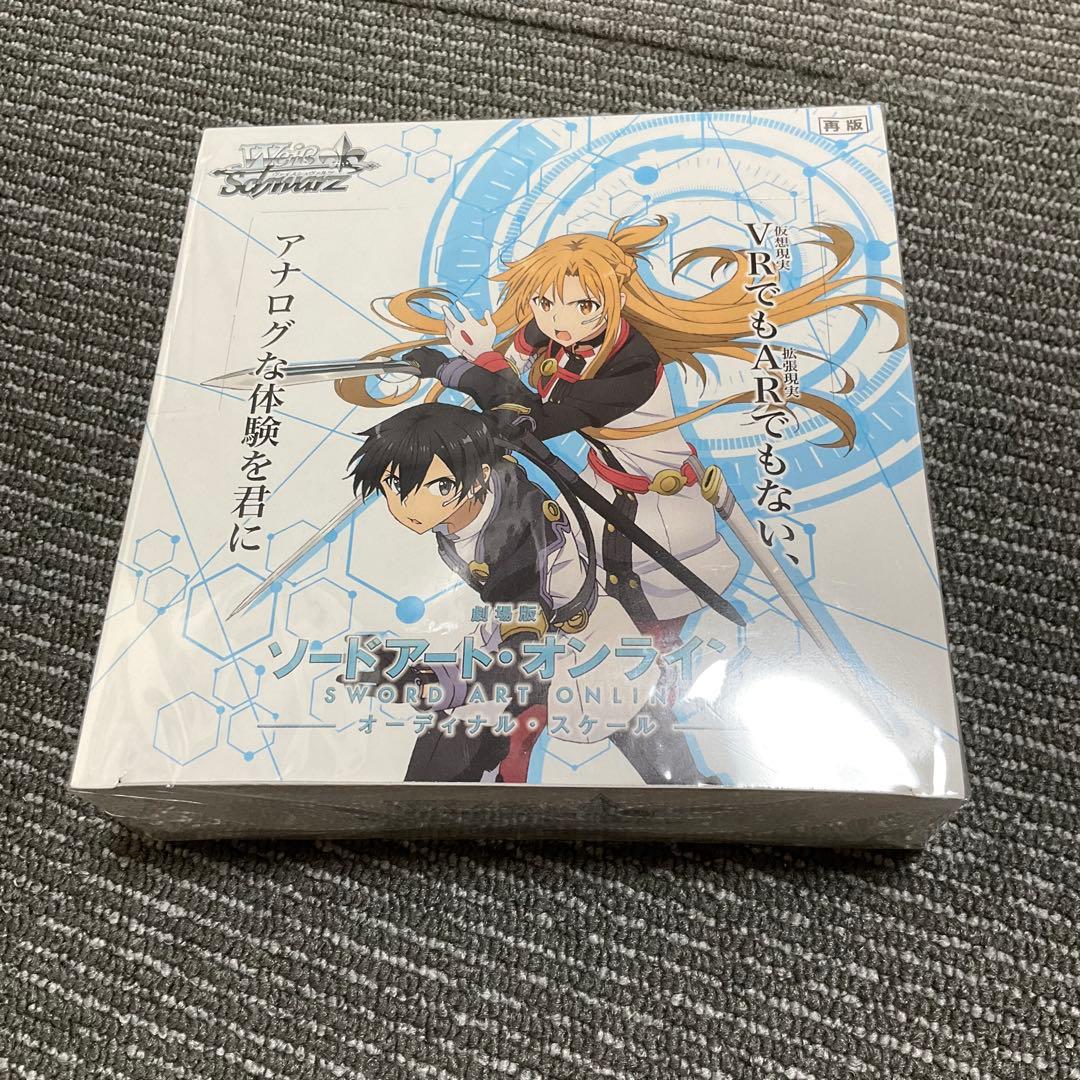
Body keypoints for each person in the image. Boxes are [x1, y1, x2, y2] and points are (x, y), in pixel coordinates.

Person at [338, 219, 906, 651]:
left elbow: (534, 416)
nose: (558, 319)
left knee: (652, 616)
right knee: (577, 588)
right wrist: (474, 357)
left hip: (660, 504)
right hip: (600, 485)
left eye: (581, 305)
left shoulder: (631, 367)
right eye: (545, 301)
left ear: (613, 301)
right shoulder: (560, 327)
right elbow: (522, 356)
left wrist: (460, 369)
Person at [347, 401, 713, 785]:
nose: (407, 504)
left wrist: (439, 683)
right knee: (454, 733)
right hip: (512, 628)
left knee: (629, 707)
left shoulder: (514, 527)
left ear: (477, 479)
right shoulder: (463, 503)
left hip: (578, 635)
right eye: (394, 485)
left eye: (437, 487)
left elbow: (520, 647)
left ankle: (691, 793)